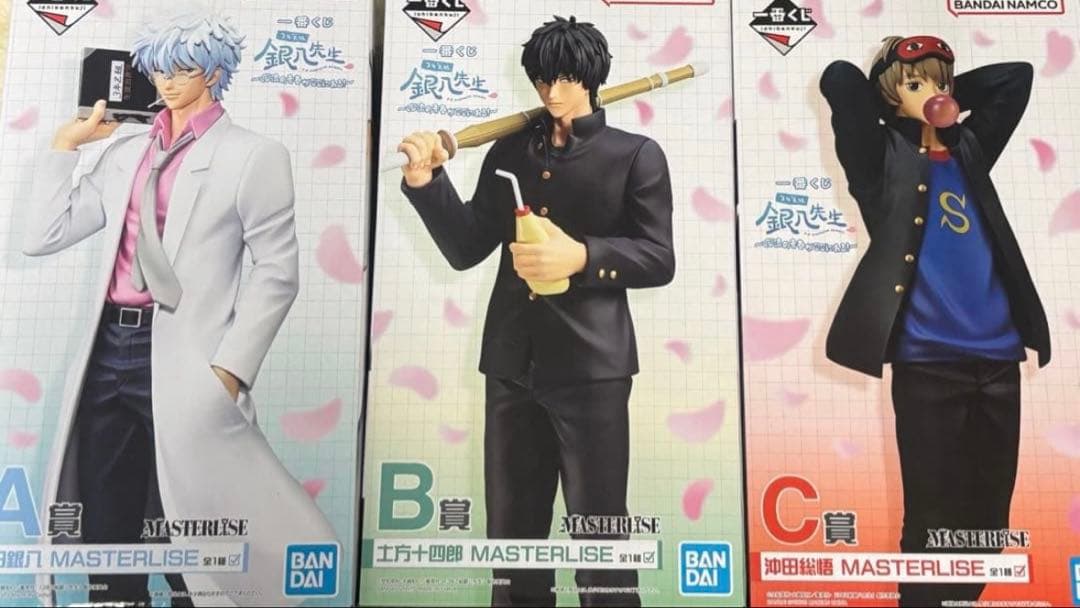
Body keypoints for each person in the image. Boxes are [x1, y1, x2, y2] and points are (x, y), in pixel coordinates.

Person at [24, 7, 336, 605]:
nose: (167, 82)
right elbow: (44, 234)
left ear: (214, 73)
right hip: (108, 349)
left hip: (188, 355)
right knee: (107, 519)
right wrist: (66, 146)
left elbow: (277, 271)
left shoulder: (253, 155)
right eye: (159, 69)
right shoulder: (126, 153)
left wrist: (230, 370)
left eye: (184, 69)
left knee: (189, 525)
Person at [397, 15, 674, 608]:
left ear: (592, 78)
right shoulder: (508, 151)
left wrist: (583, 256)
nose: (552, 92)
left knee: (600, 541)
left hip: (593, 370)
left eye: (566, 78)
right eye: (543, 79)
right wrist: (427, 184)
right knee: (512, 542)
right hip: (511, 366)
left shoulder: (635, 156)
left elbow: (659, 257)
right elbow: (467, 247)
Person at [820, 35, 1051, 607]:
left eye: (941, 82)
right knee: (931, 515)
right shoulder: (878, 162)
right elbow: (840, 78)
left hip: (999, 359)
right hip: (927, 363)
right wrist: (901, 98)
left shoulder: (969, 148)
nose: (936, 93)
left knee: (988, 520)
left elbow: (1016, 76)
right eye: (916, 83)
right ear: (889, 95)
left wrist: (942, 96)